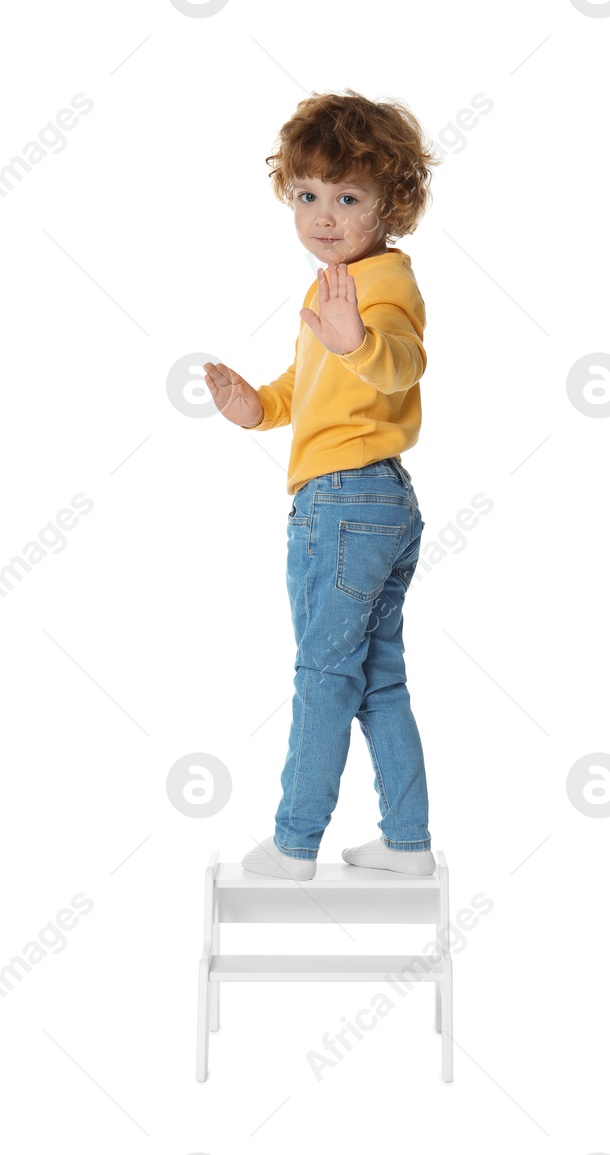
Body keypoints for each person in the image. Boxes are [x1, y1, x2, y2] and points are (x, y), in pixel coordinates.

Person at [205, 90, 440, 880]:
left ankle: (295, 841)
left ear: (390, 203)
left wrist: (361, 339)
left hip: (343, 504)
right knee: (378, 676)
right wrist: (257, 407)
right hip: (373, 501)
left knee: (322, 675)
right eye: (307, 195)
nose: (324, 216)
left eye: (347, 197)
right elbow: (312, 385)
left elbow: (399, 362)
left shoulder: (382, 284)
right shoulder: (332, 286)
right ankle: (408, 842)